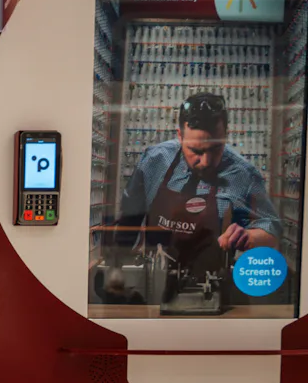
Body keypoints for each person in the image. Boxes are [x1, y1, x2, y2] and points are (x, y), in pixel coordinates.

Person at [113, 93, 281, 280]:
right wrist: (116, 268)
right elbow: (129, 217)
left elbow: (271, 228)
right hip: (155, 281)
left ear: (226, 134)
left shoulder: (244, 174)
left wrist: (250, 236)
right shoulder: (155, 160)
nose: (206, 161)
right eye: (196, 150)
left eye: (216, 148)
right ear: (180, 136)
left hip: (211, 284)